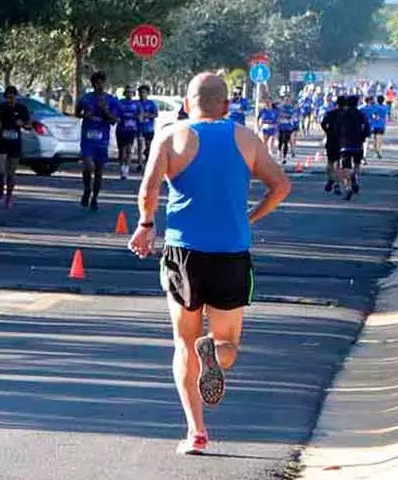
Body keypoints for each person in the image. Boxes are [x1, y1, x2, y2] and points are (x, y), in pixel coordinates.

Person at [128, 72, 291, 456]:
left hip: (183, 253)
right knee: (227, 342)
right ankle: (215, 356)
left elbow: (148, 188)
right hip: (231, 253)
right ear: (226, 105)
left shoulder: (170, 135)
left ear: (186, 104)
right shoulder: (246, 138)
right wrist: (249, 217)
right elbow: (281, 186)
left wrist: (145, 226)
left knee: (183, 342)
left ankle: (196, 433)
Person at [75, 72, 120, 210]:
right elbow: (77, 113)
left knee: (99, 171)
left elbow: (115, 120)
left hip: (102, 140)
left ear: (104, 83)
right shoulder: (86, 98)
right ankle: (87, 189)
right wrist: (84, 115)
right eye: (96, 83)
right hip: (88, 139)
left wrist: (104, 110)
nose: (99, 85)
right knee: (88, 166)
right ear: (92, 84)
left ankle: (94, 198)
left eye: (101, 83)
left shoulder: (111, 100)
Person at [0, 86, 31, 208]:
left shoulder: (22, 109)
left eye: (13, 97)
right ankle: (0, 183)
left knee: (11, 173)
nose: (10, 100)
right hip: (1, 142)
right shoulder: (0, 108)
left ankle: (8, 196)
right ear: (5, 97)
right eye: (8, 98)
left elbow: (29, 126)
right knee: (0, 169)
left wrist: (22, 124)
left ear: (16, 97)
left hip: (15, 143)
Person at [334, 95, 371, 200]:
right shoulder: (361, 115)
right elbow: (367, 128)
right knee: (357, 164)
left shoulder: (342, 115)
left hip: (344, 144)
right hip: (358, 144)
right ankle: (355, 176)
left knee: (345, 167)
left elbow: (336, 129)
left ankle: (348, 187)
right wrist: (363, 137)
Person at [115, 86, 141, 180]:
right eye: (128, 92)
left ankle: (126, 170)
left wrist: (139, 118)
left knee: (129, 150)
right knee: (122, 151)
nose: (129, 94)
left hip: (131, 130)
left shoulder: (136, 104)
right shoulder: (120, 102)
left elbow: (140, 115)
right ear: (124, 93)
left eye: (131, 92)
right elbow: (115, 114)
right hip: (121, 129)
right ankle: (121, 167)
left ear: (133, 94)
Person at [320, 96, 345, 195]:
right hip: (343, 141)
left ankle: (330, 179)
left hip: (331, 140)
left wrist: (328, 132)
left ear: (336, 104)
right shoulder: (346, 115)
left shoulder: (330, 113)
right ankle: (337, 184)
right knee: (339, 163)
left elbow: (323, 123)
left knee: (330, 162)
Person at [136, 85, 159, 165]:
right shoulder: (136, 103)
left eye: (144, 92)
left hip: (149, 129)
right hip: (139, 128)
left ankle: (147, 161)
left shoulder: (151, 103)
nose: (142, 94)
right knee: (139, 146)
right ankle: (140, 164)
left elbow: (156, 114)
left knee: (148, 146)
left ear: (147, 93)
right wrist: (137, 116)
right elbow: (133, 114)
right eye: (140, 93)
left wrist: (146, 115)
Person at [276, 98, 299, 163]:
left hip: (288, 127)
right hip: (281, 126)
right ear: (283, 101)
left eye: (288, 100)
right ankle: (279, 151)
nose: (287, 102)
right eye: (285, 100)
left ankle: (284, 157)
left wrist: (286, 116)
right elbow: (278, 114)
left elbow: (292, 116)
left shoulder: (291, 108)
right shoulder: (280, 108)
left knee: (286, 142)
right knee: (280, 141)